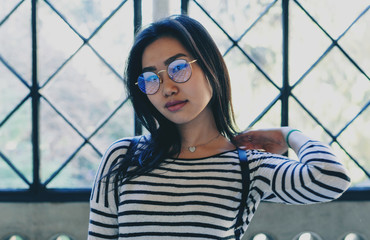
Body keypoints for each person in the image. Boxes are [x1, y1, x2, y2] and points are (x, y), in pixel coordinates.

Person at [88, 15, 350, 240]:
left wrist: (288, 134)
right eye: (150, 79)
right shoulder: (123, 157)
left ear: (210, 66)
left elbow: (331, 178)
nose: (167, 88)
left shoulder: (249, 166)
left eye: (178, 68)